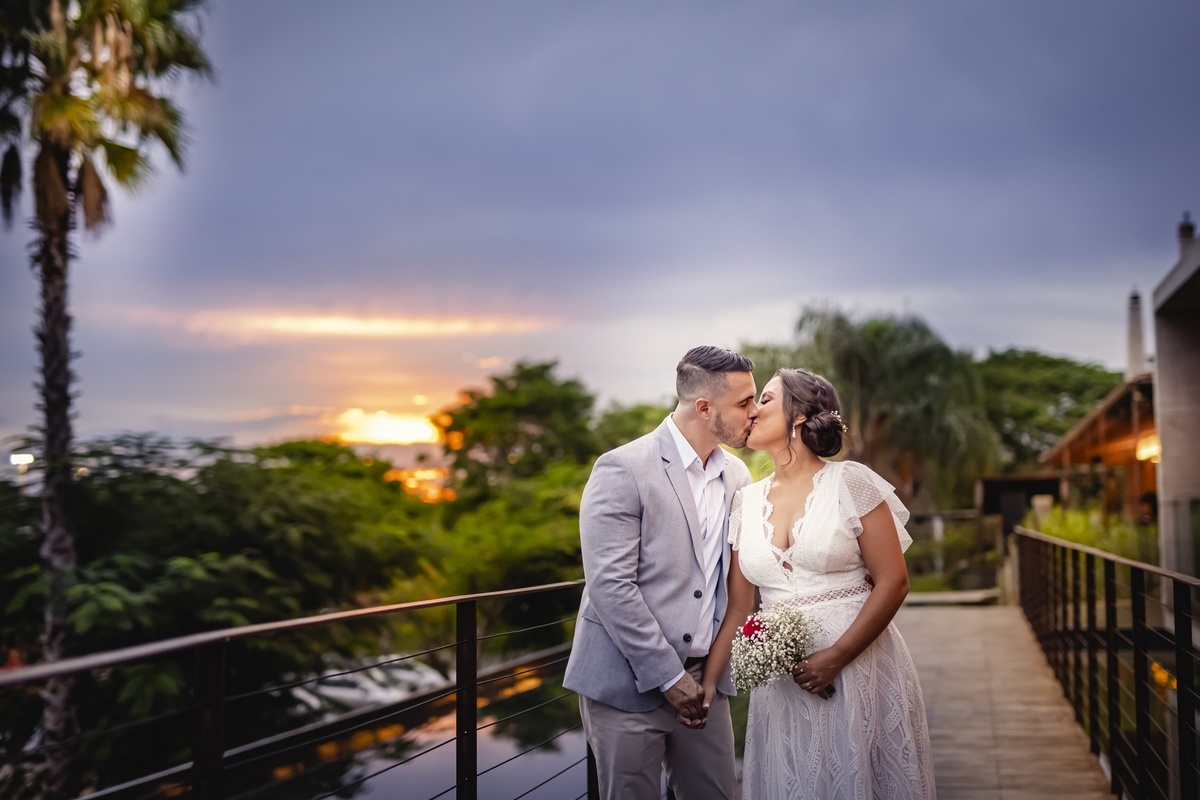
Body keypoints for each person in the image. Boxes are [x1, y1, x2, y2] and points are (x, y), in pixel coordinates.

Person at [701, 368, 936, 800]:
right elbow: (739, 607)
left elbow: (893, 582)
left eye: (765, 400)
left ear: (799, 414)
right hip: (781, 682)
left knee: (860, 778)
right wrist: (708, 684)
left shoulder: (851, 481)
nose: (751, 412)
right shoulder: (744, 501)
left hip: (859, 662)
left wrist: (837, 656)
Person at [563, 346, 759, 800]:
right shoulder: (623, 467)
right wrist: (669, 678)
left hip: (706, 686)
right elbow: (610, 585)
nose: (753, 413)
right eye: (744, 403)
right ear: (704, 407)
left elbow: (736, 581)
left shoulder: (738, 476)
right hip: (625, 683)